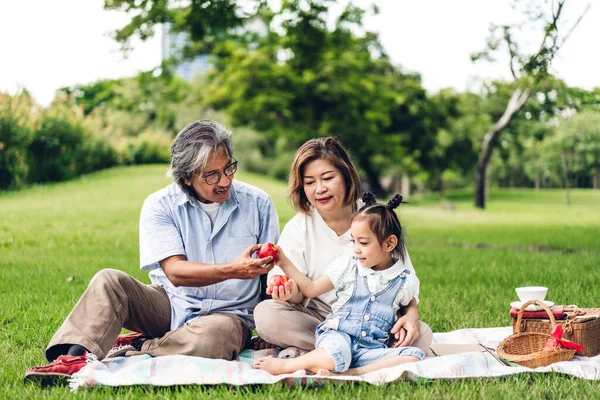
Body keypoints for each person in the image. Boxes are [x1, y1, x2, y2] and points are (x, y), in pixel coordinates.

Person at [24, 120, 280, 384]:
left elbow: (272, 276)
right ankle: (73, 359)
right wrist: (233, 270)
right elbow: (175, 272)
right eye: (211, 175)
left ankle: (140, 348)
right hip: (172, 304)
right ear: (187, 178)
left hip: (230, 316)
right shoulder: (160, 205)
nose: (225, 180)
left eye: (228, 168)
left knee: (216, 337)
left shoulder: (258, 203)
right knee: (109, 281)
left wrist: (268, 331)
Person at [254, 137, 432, 354]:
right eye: (310, 182)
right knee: (266, 315)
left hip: (372, 321)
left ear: (346, 177)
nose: (319, 189)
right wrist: (290, 292)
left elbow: (404, 284)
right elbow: (301, 294)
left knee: (422, 334)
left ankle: (330, 353)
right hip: (319, 318)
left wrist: (411, 317)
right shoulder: (299, 227)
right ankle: (361, 353)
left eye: (328, 178)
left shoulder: (375, 219)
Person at [254, 192, 425, 375]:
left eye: (364, 242)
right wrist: (283, 261)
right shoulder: (348, 267)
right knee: (335, 354)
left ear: (389, 243)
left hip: (371, 348)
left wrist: (412, 315)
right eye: (354, 241)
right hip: (338, 337)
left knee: (415, 355)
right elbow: (310, 289)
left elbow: (409, 303)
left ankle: (351, 373)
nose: (356, 249)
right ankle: (288, 366)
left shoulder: (403, 279)